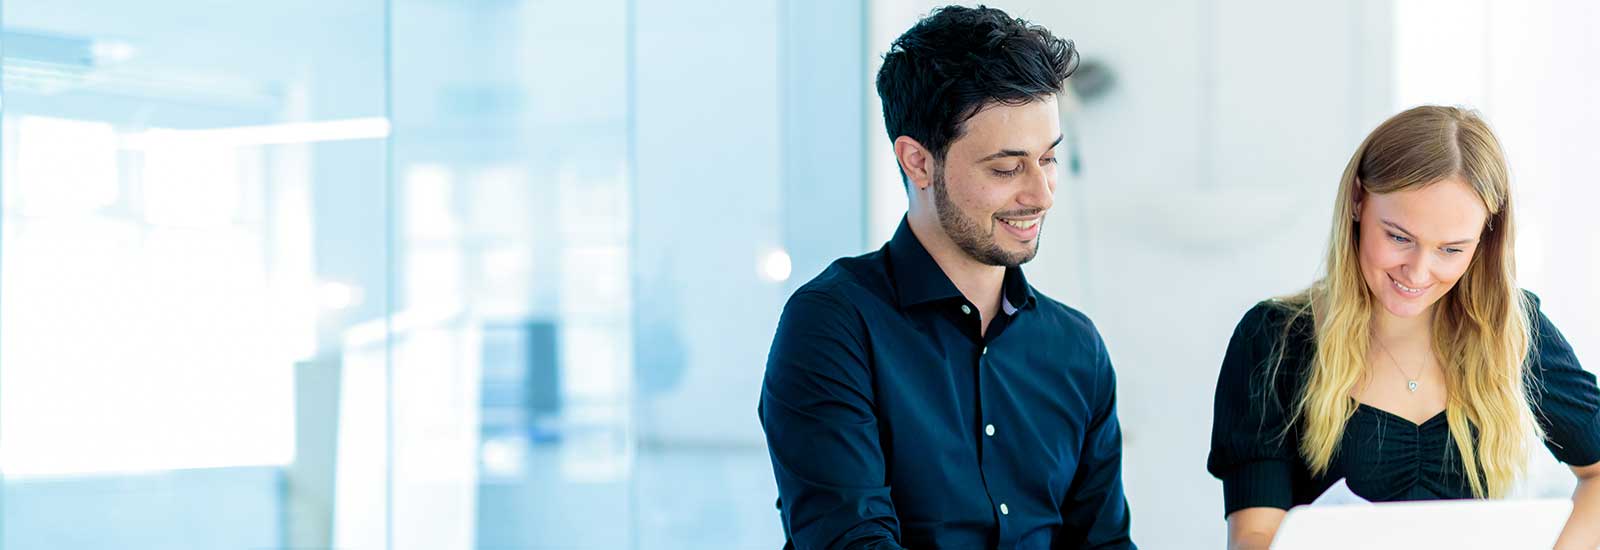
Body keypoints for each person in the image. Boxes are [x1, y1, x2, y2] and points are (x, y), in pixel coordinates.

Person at [758, 5, 1134, 550]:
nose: (1041, 194)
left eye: (1048, 159)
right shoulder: (834, 326)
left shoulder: (1077, 349)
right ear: (918, 162)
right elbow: (851, 541)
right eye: (1006, 168)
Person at [1208, 105, 1600, 549]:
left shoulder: (1510, 331)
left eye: (1451, 250)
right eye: (1398, 237)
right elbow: (1254, 535)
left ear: (1484, 240)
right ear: (1357, 200)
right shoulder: (1274, 339)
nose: (1417, 272)